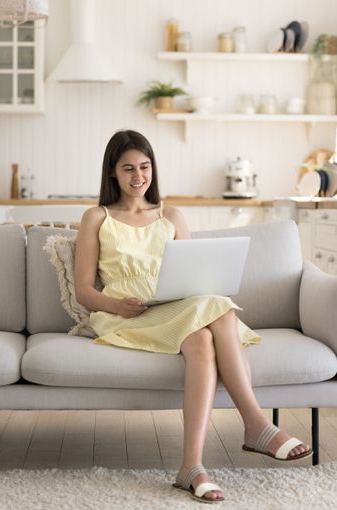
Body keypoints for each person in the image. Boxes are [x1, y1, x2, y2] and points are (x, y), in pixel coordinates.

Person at [74, 129, 312, 504]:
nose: (139, 176)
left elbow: (192, 277)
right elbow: (83, 289)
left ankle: (191, 467)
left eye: (145, 166)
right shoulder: (96, 217)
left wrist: (184, 292)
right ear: (113, 174)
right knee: (217, 309)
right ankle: (256, 425)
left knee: (206, 326)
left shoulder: (171, 215)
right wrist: (117, 305)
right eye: (128, 169)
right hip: (125, 314)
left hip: (174, 308)